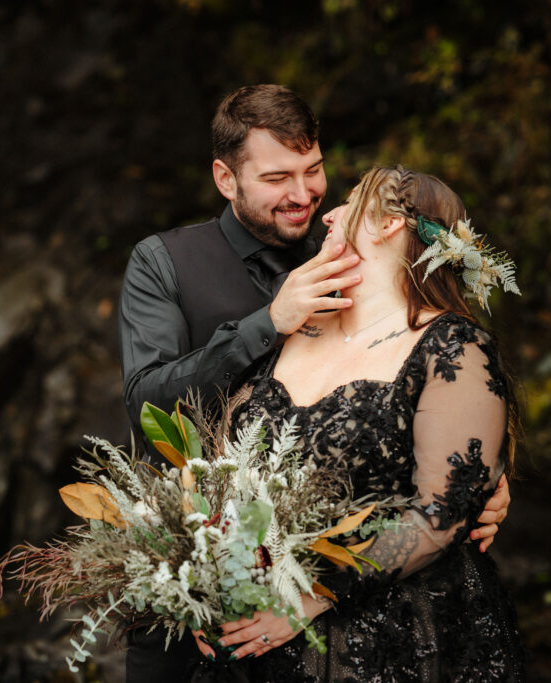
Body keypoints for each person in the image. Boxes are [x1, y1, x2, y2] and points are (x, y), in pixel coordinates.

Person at [118, 85, 512, 681]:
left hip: (358, 615)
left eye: (315, 170)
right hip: (203, 596)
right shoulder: (164, 263)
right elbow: (146, 405)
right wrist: (269, 322)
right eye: (278, 178)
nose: (305, 196)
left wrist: (478, 478)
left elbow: (422, 389)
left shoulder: (351, 250)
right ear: (226, 179)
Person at [191, 165, 526, 681]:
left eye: (349, 204)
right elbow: (224, 474)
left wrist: (308, 597)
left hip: (392, 641)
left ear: (390, 222)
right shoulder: (294, 324)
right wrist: (208, 587)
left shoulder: (453, 347)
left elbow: (442, 510)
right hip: (253, 642)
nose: (329, 215)